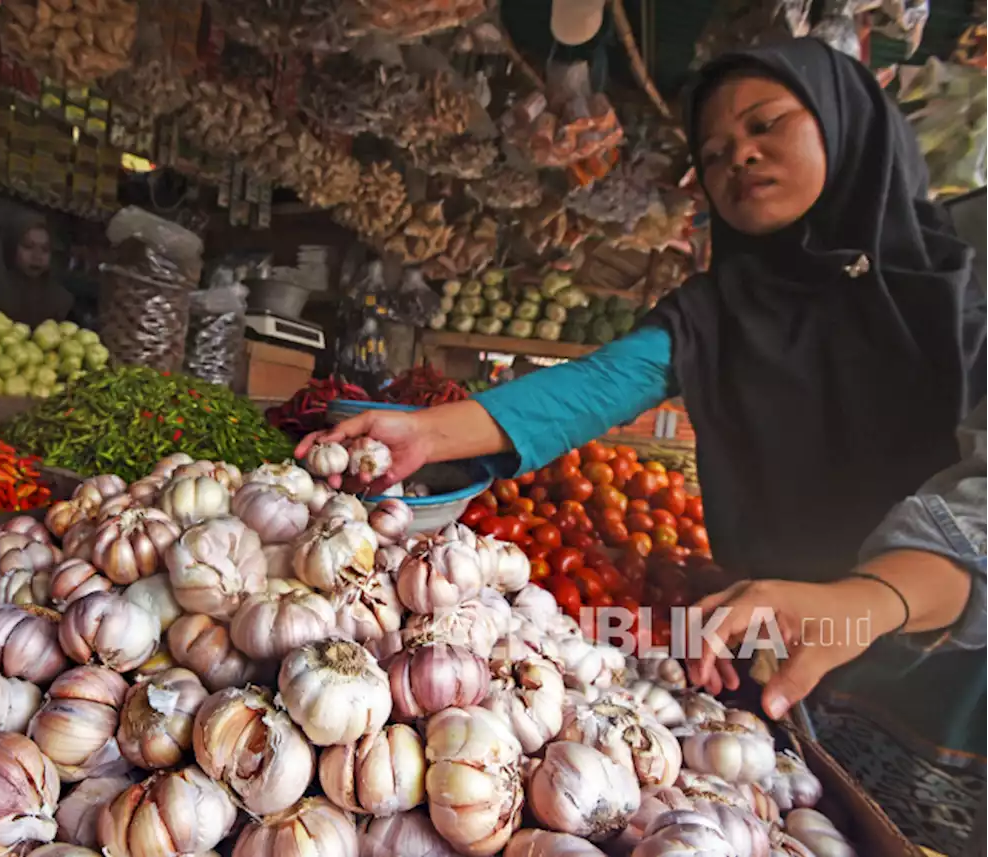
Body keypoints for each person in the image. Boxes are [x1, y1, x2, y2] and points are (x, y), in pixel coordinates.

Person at [298, 38, 988, 855]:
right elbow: (598, 385)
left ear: (849, 124)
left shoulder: (962, 285)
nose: (742, 158)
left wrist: (871, 601)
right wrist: (424, 432)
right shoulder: (722, 310)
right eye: (716, 152)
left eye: (767, 125)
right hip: (774, 666)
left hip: (947, 682)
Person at [0, 212, 74, 328]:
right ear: (9, 248)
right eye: (28, 246)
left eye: (45, 249)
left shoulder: (61, 302)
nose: (37, 256)